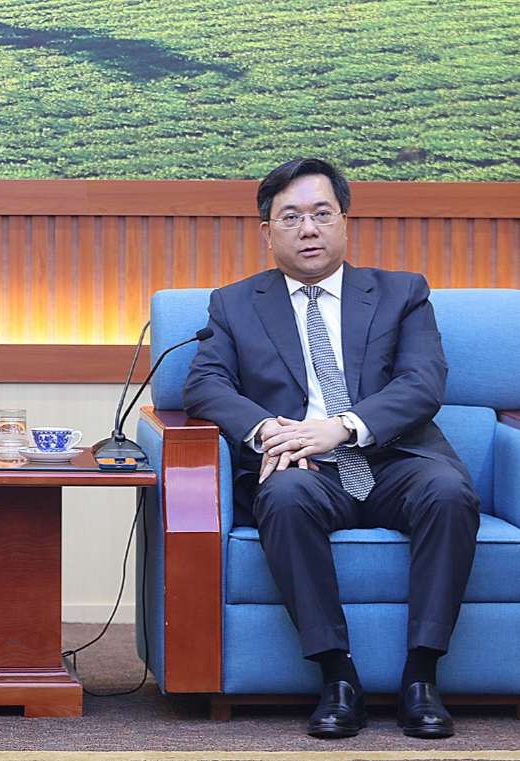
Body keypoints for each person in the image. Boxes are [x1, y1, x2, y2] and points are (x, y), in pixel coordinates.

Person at [183, 158, 478, 740]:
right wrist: (267, 430)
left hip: (393, 459)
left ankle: (421, 678)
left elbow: (423, 383)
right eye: (291, 217)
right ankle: (337, 678)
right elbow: (205, 384)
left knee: (449, 491)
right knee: (282, 496)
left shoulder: (402, 292)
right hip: (303, 467)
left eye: (322, 214)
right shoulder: (234, 304)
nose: (309, 229)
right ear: (267, 232)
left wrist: (342, 426)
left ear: (345, 221)